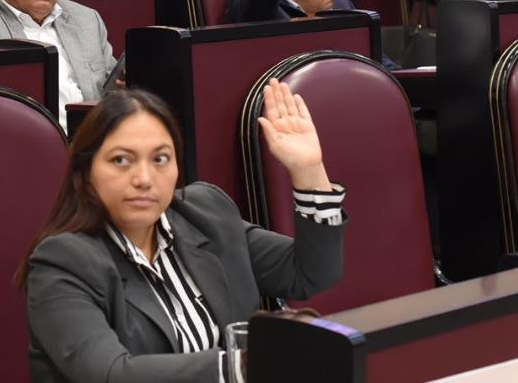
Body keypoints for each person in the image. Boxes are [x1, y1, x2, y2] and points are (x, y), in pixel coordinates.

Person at [21, 83, 345, 383]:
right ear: (85, 172)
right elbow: (110, 373)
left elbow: (310, 273)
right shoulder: (62, 261)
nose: (144, 178)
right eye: (122, 160)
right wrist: (243, 365)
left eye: (160, 158)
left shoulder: (205, 213)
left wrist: (308, 170)